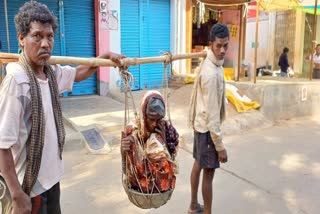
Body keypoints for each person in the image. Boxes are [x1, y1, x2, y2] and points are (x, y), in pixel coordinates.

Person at [0, 1, 125, 214]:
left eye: (49, 37)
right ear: (21, 39)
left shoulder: (50, 73)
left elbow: (79, 73)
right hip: (29, 186)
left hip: (52, 179)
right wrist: (16, 193)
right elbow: (3, 144)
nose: (45, 44)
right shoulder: (16, 82)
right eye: (37, 36)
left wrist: (104, 58)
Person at [188, 23, 229, 214]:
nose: (222, 50)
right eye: (218, 46)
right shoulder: (211, 73)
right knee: (208, 173)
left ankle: (193, 205)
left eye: (225, 46)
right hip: (207, 130)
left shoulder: (210, 61)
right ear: (211, 44)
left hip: (200, 126)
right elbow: (213, 117)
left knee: (198, 163)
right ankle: (207, 211)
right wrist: (220, 147)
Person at [121, 90, 179, 194]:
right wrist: (124, 149)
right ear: (144, 114)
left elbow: (172, 158)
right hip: (139, 182)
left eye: (158, 120)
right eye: (151, 119)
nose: (154, 124)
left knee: (157, 139)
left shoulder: (165, 128)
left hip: (162, 184)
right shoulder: (133, 129)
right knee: (133, 139)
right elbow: (126, 166)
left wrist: (165, 139)